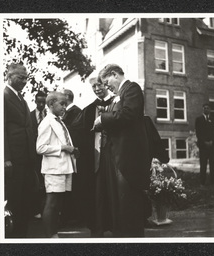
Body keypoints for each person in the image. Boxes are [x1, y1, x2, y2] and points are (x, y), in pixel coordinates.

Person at [93, 64, 151, 237]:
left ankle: (132, 239)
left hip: (129, 156)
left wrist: (102, 119)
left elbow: (128, 114)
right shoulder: (119, 95)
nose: (106, 86)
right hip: (119, 155)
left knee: (129, 201)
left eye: (107, 82)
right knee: (121, 201)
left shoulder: (132, 88)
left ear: (114, 74)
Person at [69, 73, 114, 236]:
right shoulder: (89, 110)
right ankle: (98, 227)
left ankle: (117, 226)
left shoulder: (118, 103)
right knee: (97, 193)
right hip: (96, 157)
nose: (97, 88)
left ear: (106, 84)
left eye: (99, 85)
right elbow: (75, 130)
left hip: (115, 157)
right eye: (93, 86)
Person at [36, 91, 79, 238]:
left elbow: (63, 141)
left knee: (58, 203)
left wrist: (72, 150)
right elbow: (40, 148)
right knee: (52, 202)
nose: (64, 107)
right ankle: (50, 236)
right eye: (61, 104)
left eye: (65, 104)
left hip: (64, 167)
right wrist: (63, 148)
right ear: (50, 104)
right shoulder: (46, 122)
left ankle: (54, 233)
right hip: (54, 169)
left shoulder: (59, 121)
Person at [4, 63, 38, 238]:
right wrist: (5, 158)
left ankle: (22, 237)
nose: (24, 81)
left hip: (26, 159)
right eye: (20, 77)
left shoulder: (22, 99)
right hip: (13, 160)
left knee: (25, 199)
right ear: (9, 76)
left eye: (26, 78)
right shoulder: (3, 96)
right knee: (14, 200)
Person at [60, 89, 81, 226]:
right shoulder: (68, 113)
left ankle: (72, 216)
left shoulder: (75, 112)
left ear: (67, 97)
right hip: (68, 154)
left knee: (73, 187)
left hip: (73, 155)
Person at [30, 90, 47, 218]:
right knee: (35, 182)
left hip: (46, 153)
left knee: (46, 181)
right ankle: (35, 209)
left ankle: (46, 210)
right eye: (39, 101)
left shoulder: (49, 115)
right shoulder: (29, 116)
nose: (41, 104)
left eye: (43, 102)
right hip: (33, 154)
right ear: (35, 101)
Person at [195, 103, 214, 186]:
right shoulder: (199, 119)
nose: (206, 109)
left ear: (210, 110)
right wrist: (204, 142)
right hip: (203, 146)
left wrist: (212, 141)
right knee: (203, 164)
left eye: (208, 108)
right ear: (203, 109)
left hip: (212, 146)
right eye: (204, 108)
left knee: (213, 164)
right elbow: (198, 133)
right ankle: (202, 182)